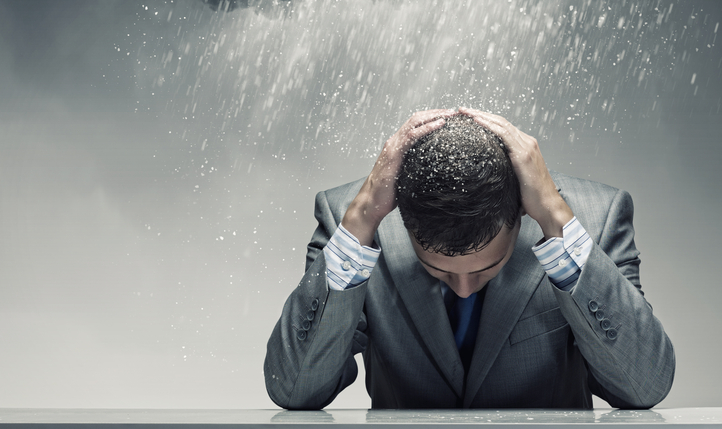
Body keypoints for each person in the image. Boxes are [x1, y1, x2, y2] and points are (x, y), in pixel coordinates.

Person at [264, 108, 675, 409]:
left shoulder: (595, 219)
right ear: (405, 225)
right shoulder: (352, 224)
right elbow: (295, 390)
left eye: (486, 269)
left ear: (520, 216)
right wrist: (358, 224)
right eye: (437, 269)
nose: (462, 290)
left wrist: (557, 221)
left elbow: (643, 387)